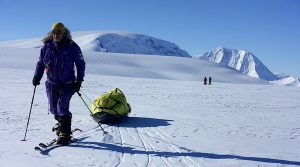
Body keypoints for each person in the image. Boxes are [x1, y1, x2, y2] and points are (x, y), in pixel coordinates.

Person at [32, 22, 86, 144]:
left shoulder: (72, 47)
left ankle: (65, 134)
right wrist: (37, 76)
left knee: (61, 106)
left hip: (68, 83)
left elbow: (81, 64)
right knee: (53, 109)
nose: (56, 35)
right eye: (54, 32)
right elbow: (41, 63)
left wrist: (79, 81)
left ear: (64, 32)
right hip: (51, 83)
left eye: (59, 32)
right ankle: (63, 123)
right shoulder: (47, 47)